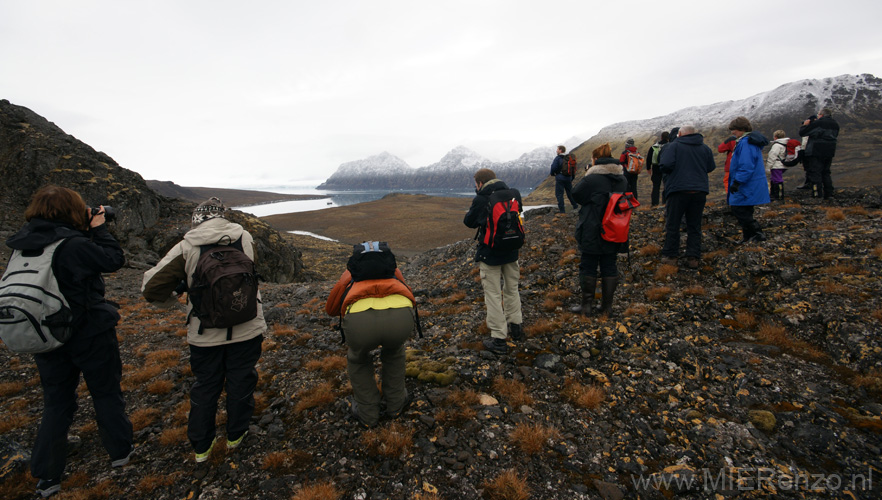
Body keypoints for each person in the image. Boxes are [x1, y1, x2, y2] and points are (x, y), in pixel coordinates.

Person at [5, 185, 132, 498]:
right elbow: (114, 259)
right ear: (73, 211)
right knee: (105, 392)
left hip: (47, 336)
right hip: (89, 334)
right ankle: (120, 453)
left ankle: (47, 477)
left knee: (57, 403)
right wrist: (99, 229)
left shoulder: (22, 245)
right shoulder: (73, 244)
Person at [142, 197, 266, 463]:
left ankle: (201, 447)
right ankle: (236, 435)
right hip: (247, 326)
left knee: (206, 386)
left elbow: (151, 287)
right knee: (242, 379)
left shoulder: (187, 246)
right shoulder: (243, 237)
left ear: (197, 220)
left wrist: (174, 300)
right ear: (222, 217)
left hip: (205, 333)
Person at [325, 243, 416, 428]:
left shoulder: (349, 275)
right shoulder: (394, 272)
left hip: (361, 324)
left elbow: (331, 309)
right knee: (395, 352)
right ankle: (396, 405)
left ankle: (368, 415)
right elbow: (409, 294)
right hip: (400, 318)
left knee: (358, 358)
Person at [463, 168, 523, 355]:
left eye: (476, 185)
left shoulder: (482, 199)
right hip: (512, 251)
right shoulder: (514, 194)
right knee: (512, 289)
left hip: (490, 254)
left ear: (480, 183)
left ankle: (499, 339)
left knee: (493, 295)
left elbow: (469, 221)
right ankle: (516, 328)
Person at [570, 143, 628, 316]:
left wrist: (588, 173)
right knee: (609, 264)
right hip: (614, 228)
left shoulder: (592, 179)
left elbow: (576, 194)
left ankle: (586, 306)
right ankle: (606, 308)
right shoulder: (622, 179)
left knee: (588, 264)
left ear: (595, 160)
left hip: (592, 227)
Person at [658, 125, 716, 269]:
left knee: (673, 223)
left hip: (678, 190)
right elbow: (710, 167)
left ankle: (671, 255)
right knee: (694, 225)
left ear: (680, 134)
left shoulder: (672, 147)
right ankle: (693, 257)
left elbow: (665, 165)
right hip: (699, 190)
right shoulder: (705, 148)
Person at [727, 116, 770, 243]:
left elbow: (746, 165)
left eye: (734, 129)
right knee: (745, 209)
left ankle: (757, 234)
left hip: (746, 184)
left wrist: (737, 182)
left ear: (740, 128)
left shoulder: (746, 143)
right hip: (749, 183)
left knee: (738, 209)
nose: (732, 132)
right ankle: (748, 237)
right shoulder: (747, 142)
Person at [798, 107, 840, 199]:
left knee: (815, 172)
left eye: (818, 114)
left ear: (821, 115)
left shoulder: (819, 123)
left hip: (816, 150)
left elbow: (802, 133)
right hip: (830, 150)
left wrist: (805, 125)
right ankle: (829, 194)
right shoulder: (835, 124)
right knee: (826, 172)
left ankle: (817, 194)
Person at [549, 145, 578, 214]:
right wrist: (571, 178)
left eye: (557, 149)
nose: (556, 151)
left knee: (559, 194)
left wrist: (553, 174)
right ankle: (576, 207)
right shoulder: (569, 158)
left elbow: (554, 168)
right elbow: (573, 169)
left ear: (560, 150)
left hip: (560, 178)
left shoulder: (558, 158)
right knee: (570, 193)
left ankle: (562, 211)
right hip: (568, 178)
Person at [645, 131, 669, 207]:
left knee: (656, 186)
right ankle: (665, 203)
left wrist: (648, 168)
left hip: (656, 167)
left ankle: (654, 204)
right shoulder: (670, 146)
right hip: (666, 167)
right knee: (666, 185)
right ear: (668, 138)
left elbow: (649, 158)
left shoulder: (654, 146)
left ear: (661, 137)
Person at [766, 130, 790, 201]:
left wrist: (768, 167)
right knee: (774, 179)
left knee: (777, 180)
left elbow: (772, 156)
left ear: (775, 137)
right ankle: (775, 195)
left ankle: (778, 196)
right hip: (782, 164)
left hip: (776, 165)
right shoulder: (785, 144)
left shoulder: (776, 145)